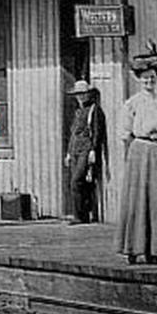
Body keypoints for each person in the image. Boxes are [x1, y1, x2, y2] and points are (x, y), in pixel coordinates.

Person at [114, 43, 157, 262]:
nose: (149, 82)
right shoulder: (132, 103)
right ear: (138, 80)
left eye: (152, 78)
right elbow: (125, 133)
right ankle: (134, 248)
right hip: (139, 152)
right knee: (138, 200)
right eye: (145, 79)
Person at [64, 79, 109, 225]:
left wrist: (93, 150)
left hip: (86, 148)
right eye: (78, 94)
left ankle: (81, 215)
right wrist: (69, 153)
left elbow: (97, 132)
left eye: (83, 94)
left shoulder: (94, 110)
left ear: (89, 94)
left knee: (77, 181)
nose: (80, 97)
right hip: (75, 149)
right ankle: (82, 214)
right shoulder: (78, 111)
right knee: (78, 182)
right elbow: (73, 134)